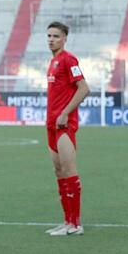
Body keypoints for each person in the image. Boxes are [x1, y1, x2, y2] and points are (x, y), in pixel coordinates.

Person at [43, 21, 89, 236]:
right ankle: (66, 221)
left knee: (69, 171)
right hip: (51, 124)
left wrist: (64, 113)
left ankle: (76, 224)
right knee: (58, 171)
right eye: (49, 36)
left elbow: (84, 88)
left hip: (64, 124)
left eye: (56, 36)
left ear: (64, 39)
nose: (51, 39)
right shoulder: (53, 61)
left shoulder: (68, 59)